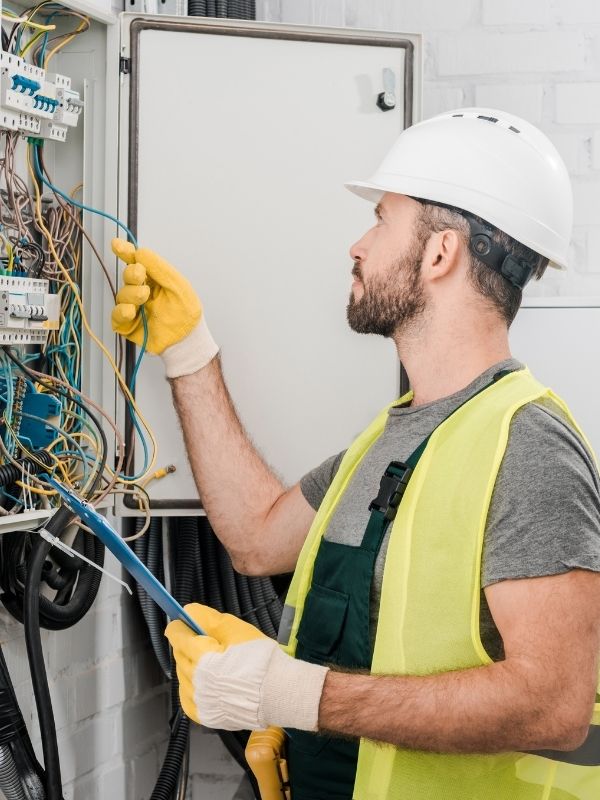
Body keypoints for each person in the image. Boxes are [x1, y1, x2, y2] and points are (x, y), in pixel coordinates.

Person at [112, 108, 600, 799]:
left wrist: (290, 693)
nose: (358, 245)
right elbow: (256, 537)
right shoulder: (390, 437)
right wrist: (190, 352)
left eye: (381, 220)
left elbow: (553, 706)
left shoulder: (528, 446)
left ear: (440, 253)